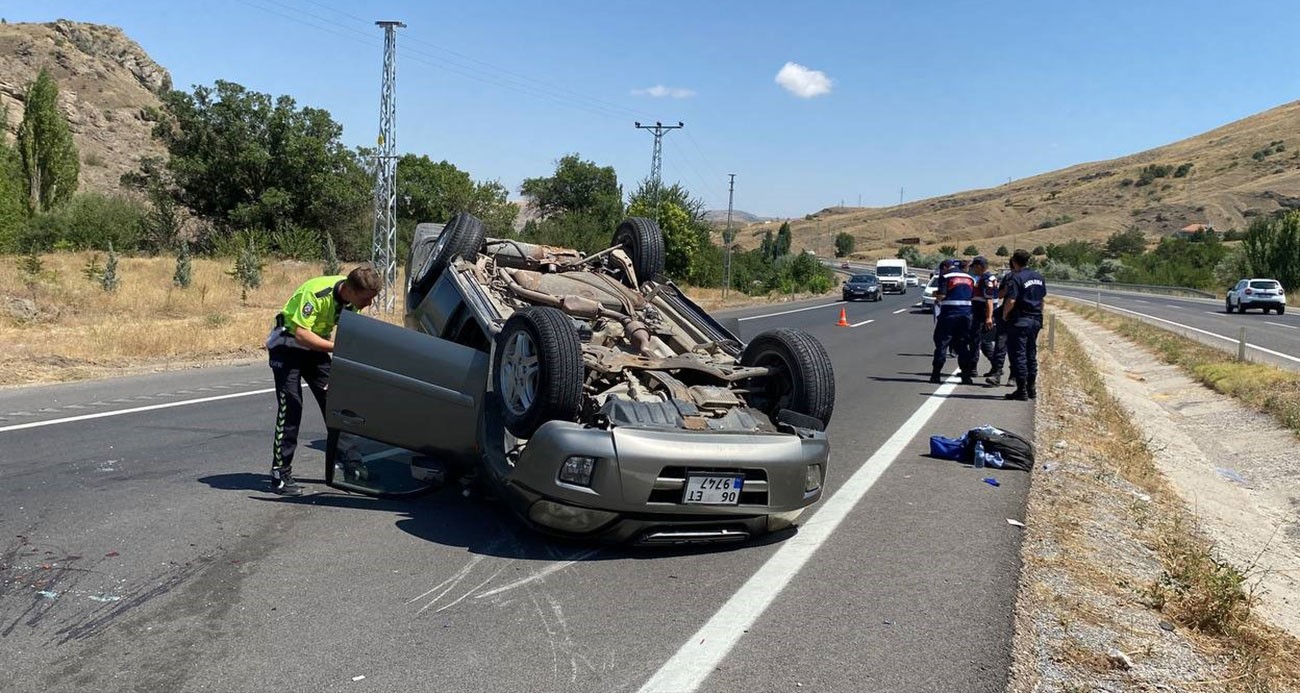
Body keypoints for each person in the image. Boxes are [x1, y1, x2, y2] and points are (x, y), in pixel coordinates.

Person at [266, 266, 381, 495]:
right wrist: (336, 349)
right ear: (349, 289)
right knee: (291, 407)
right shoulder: (316, 293)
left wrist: (339, 371)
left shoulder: (351, 301)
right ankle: (280, 473)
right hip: (287, 347)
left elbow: (347, 337)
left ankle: (352, 467)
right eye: (366, 299)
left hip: (315, 349)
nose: (369, 304)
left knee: (339, 403)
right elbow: (301, 334)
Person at [1001, 249, 1047, 401]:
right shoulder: (1039, 277)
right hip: (1035, 319)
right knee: (1031, 353)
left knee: (1018, 355)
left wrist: (1005, 315)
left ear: (1014, 261)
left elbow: (1011, 300)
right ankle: (1031, 388)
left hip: (1020, 320)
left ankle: (1021, 390)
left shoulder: (1017, 278)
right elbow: (1041, 301)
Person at [931, 260, 977, 385]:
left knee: (942, 343)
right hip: (966, 315)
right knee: (962, 345)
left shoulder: (946, 276)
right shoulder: (970, 278)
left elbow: (942, 295)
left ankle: (936, 374)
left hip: (949, 315)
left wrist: (936, 296)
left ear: (945, 267)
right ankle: (966, 376)